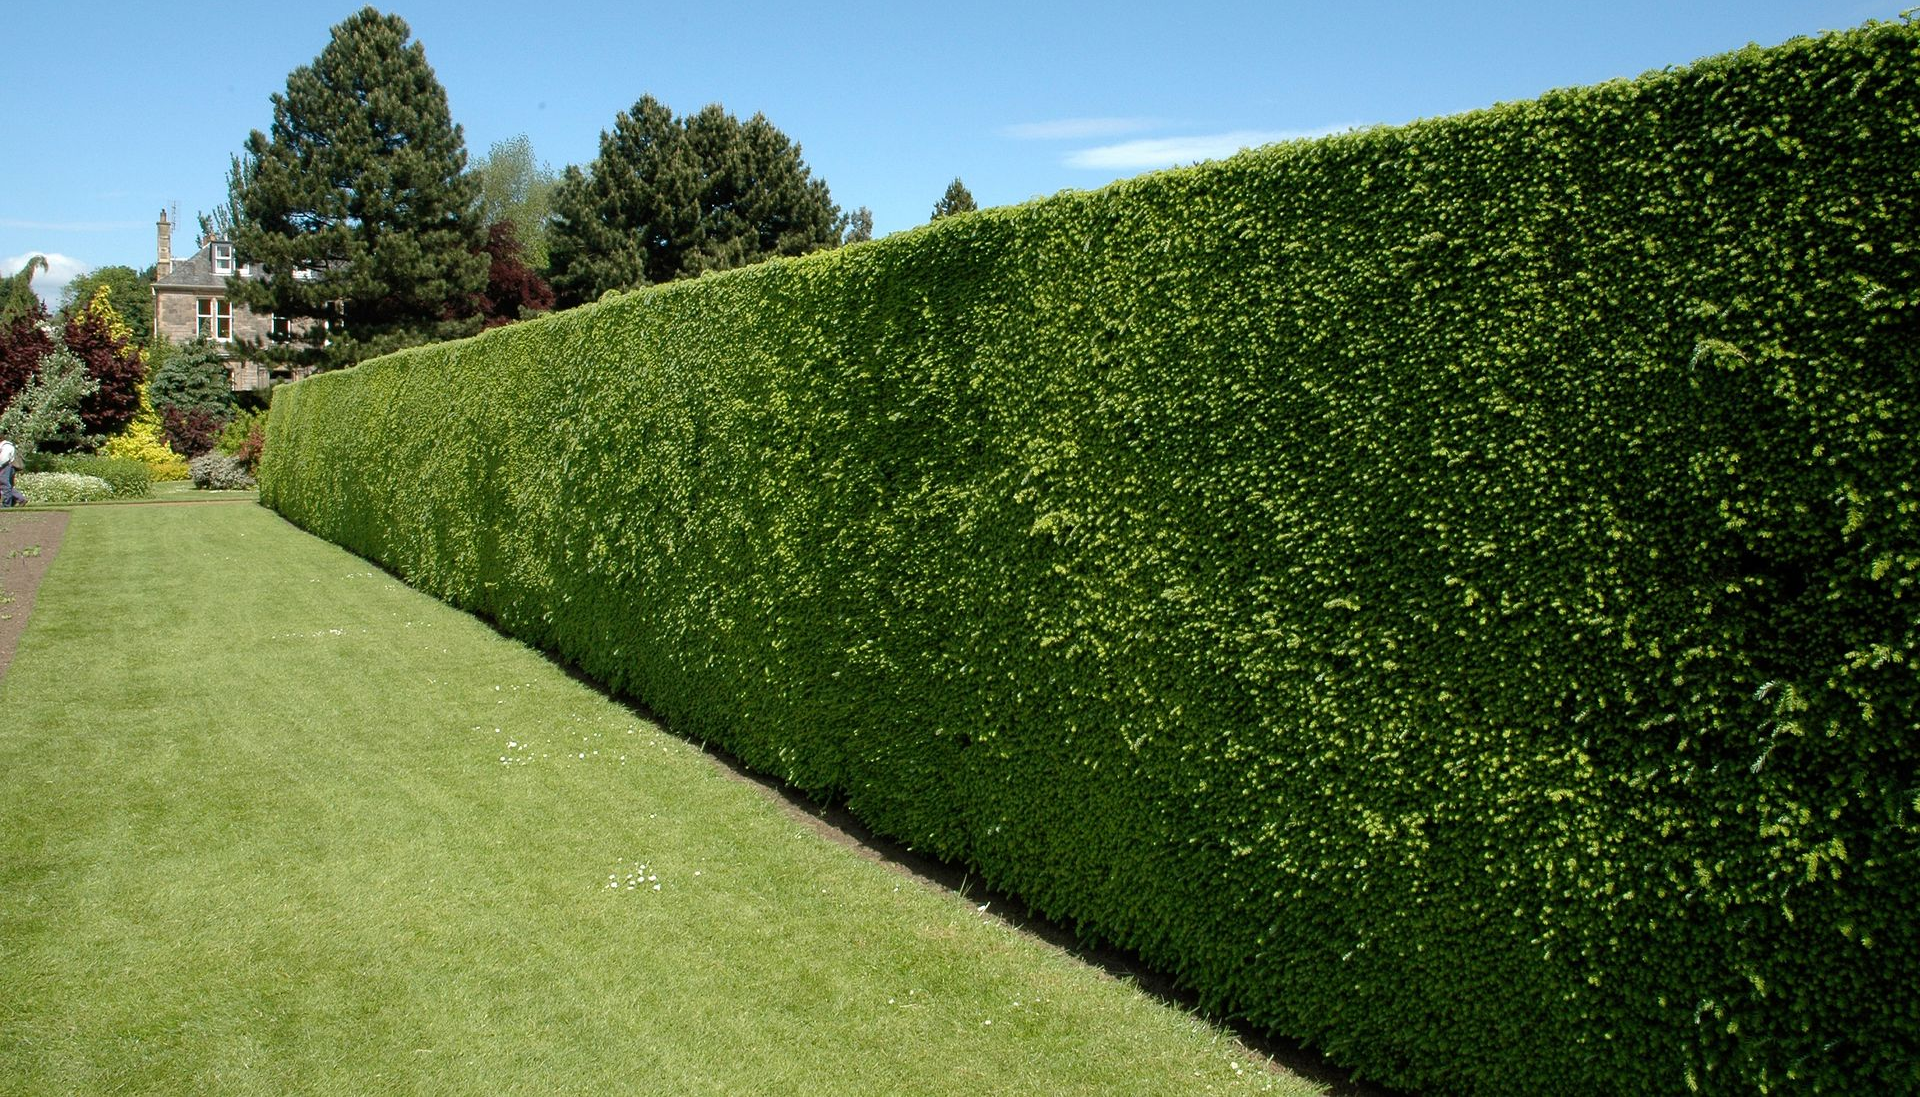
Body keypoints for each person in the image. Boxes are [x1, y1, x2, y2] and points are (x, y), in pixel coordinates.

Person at [0, 433, 22, 507]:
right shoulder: (4, 445)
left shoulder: (6, 446)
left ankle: (7, 504)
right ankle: (19, 499)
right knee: (6, 485)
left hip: (5, 466)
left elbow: (4, 458)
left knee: (4, 485)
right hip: (5, 466)